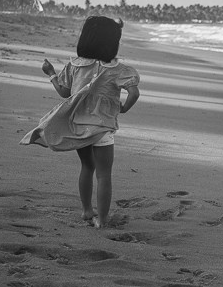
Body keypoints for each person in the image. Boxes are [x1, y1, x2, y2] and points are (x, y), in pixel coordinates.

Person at [21, 16, 141, 229]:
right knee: (104, 175)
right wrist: (123, 108)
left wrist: (51, 73)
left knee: (87, 166)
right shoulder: (118, 70)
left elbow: (64, 92)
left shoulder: (75, 66)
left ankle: (86, 210)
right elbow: (134, 93)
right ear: (112, 43)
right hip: (102, 128)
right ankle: (101, 220)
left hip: (78, 127)